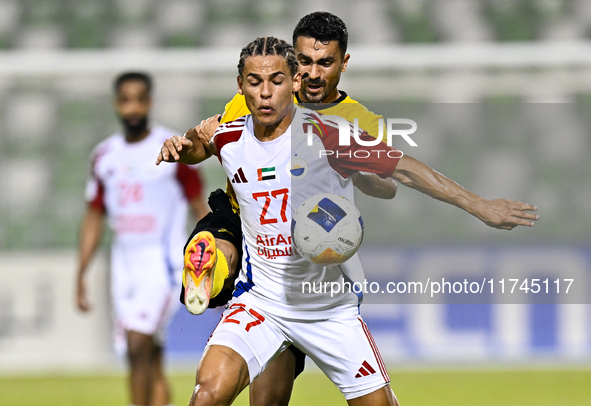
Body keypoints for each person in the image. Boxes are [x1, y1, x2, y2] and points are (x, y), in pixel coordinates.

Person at [157, 37, 539, 406]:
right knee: (207, 394)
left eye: (276, 81)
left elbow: (404, 169)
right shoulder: (229, 138)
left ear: (294, 82)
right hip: (261, 304)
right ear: (241, 86)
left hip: (328, 309)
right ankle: (217, 262)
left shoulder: (329, 136)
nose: (265, 93)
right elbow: (199, 143)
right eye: (254, 83)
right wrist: (181, 147)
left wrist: (479, 206)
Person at [76, 71, 209, 406]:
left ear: (149, 102)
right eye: (125, 100)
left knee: (137, 345)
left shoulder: (173, 149)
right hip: (124, 266)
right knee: (148, 357)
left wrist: (211, 255)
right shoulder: (104, 156)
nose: (132, 107)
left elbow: (200, 206)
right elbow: (94, 215)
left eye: (139, 99)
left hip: (162, 263)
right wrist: (81, 272)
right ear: (116, 104)